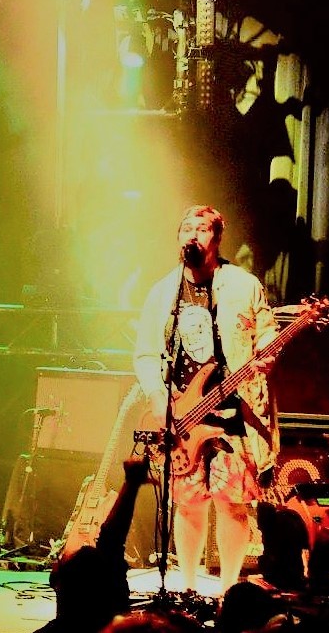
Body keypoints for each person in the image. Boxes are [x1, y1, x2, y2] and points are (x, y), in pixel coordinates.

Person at [133, 205, 278, 594]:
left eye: (201, 228)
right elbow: (146, 352)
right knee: (189, 502)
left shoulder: (243, 285)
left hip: (233, 412)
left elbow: (265, 330)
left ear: (217, 238)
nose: (191, 235)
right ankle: (188, 585)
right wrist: (159, 397)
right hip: (183, 415)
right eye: (185, 229)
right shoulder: (163, 290)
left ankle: (230, 590)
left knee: (232, 503)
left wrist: (266, 352)